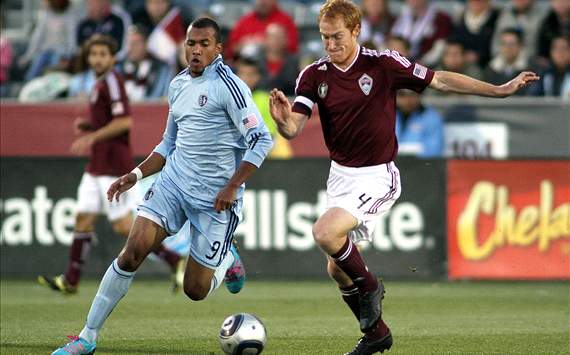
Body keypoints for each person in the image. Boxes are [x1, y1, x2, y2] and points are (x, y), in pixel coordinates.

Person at [269, 1, 538, 354]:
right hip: (340, 177)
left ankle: (370, 286)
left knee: (324, 232)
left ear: (355, 31)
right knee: (337, 270)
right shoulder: (313, 75)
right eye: (324, 38)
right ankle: (376, 333)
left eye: (337, 37)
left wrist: (499, 89)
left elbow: (440, 79)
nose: (330, 45)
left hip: (377, 175)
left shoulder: (383, 64)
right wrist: (281, 119)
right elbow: (293, 129)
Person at [51, 18, 273, 355]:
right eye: (190, 43)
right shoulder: (178, 84)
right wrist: (135, 175)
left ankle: (226, 258)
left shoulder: (230, 87)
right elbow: (167, 144)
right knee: (132, 252)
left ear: (218, 48)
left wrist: (231, 187)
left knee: (195, 290)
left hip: (215, 200)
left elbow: (261, 140)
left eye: (204, 44)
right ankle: (87, 338)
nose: (195, 50)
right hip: (173, 186)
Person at [38, 34, 183, 295]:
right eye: (93, 54)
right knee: (82, 218)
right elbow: (110, 121)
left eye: (103, 54)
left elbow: (124, 122)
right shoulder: (100, 83)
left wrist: (91, 136)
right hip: (97, 165)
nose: (97, 59)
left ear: (113, 58)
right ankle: (71, 280)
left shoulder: (113, 82)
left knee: (124, 227)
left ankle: (175, 260)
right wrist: (90, 126)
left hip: (114, 166)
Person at [225, 0, 298, 61]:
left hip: (278, 68)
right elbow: (230, 49)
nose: (263, 2)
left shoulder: (286, 20)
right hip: (247, 67)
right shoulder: (244, 21)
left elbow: (292, 48)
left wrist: (265, 42)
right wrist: (243, 44)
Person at [118, 25, 173, 101]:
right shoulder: (118, 66)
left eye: (136, 43)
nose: (131, 47)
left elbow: (162, 96)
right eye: (129, 43)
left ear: (146, 44)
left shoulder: (162, 68)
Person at [396, 89, 444, 157]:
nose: (407, 99)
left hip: (422, 165)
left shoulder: (432, 117)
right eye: (402, 94)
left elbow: (434, 149)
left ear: (420, 95)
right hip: (390, 165)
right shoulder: (387, 116)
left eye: (412, 94)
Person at [484, 28, 531, 95]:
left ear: (520, 46)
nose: (507, 48)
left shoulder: (531, 68)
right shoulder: (491, 69)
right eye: (504, 44)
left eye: (511, 44)